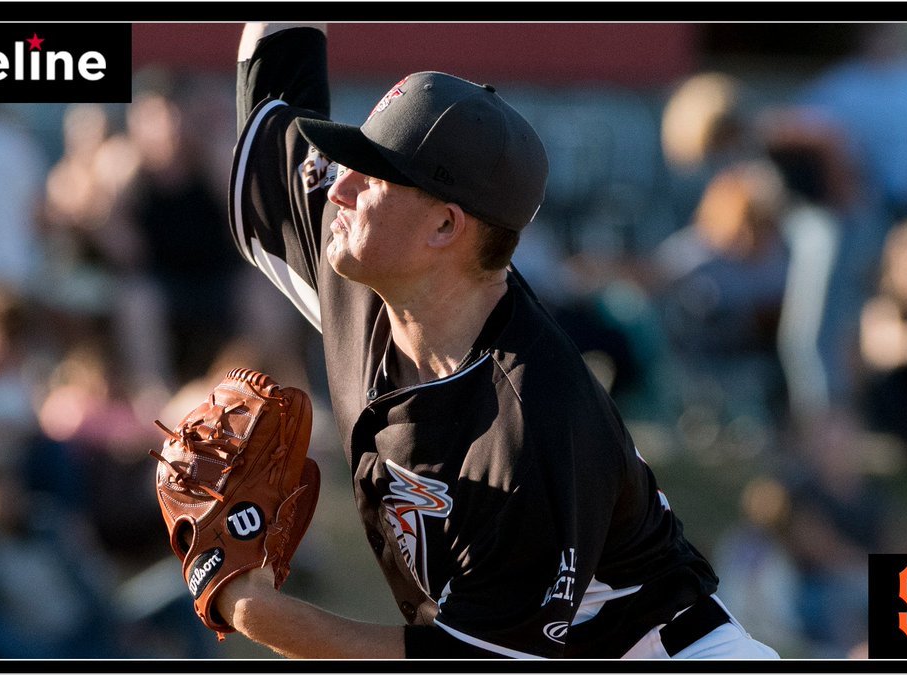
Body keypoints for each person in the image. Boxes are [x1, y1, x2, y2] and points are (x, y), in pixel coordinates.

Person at [208, 23, 780, 660]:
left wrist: (251, 608)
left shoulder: (531, 421)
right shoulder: (364, 262)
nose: (341, 187)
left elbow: (466, 664)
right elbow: (274, 99)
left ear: (445, 226)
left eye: (373, 175)